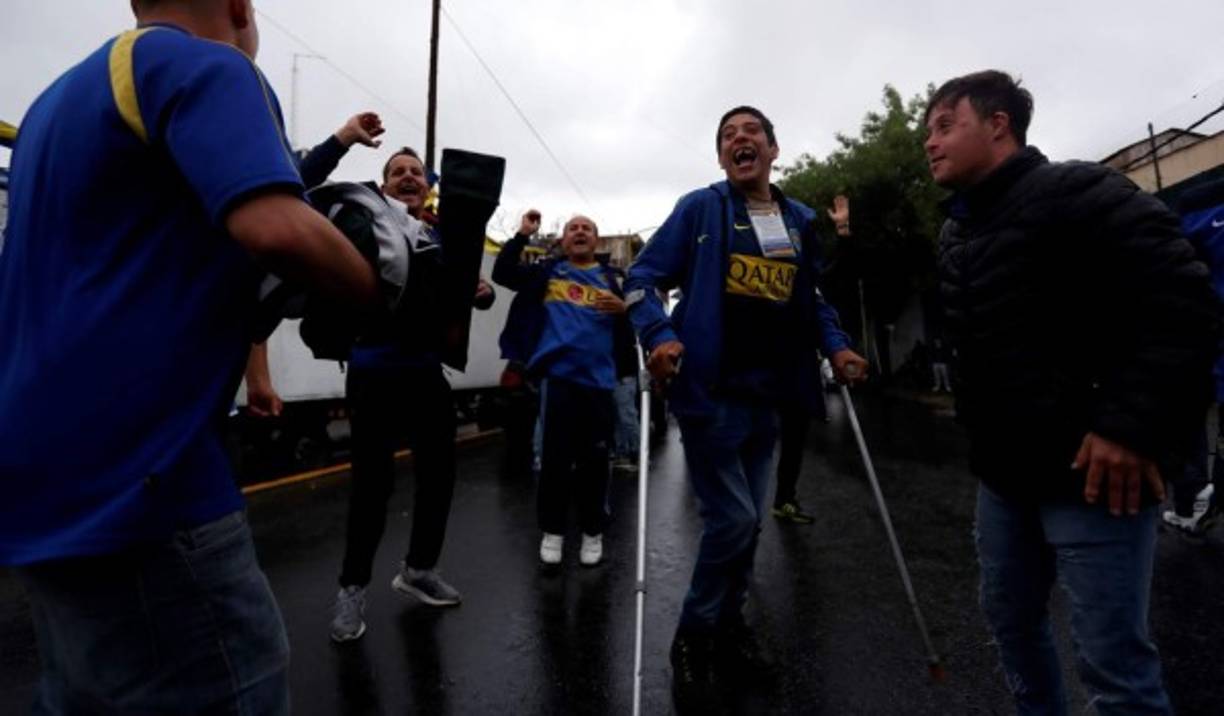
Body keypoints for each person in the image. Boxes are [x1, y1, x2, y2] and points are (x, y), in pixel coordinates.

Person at [0, 1, 379, 712]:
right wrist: (378, 286)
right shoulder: (211, 67)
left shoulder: (55, 102)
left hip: (34, 478)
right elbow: (276, 227)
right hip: (141, 480)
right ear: (239, 6)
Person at [925, 70, 1217, 713]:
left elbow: (1185, 302)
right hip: (1004, 479)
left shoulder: (1079, 192)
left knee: (1113, 668)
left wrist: (1128, 428)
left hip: (1093, 475)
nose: (931, 143)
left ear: (998, 123)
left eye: (947, 126)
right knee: (1011, 626)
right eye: (929, 133)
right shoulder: (957, 234)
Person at [625, 106, 866, 709]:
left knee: (751, 524)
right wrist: (658, 336)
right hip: (711, 394)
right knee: (732, 521)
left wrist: (837, 348)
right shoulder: (700, 209)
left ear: (773, 149)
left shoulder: (796, 220)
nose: (740, 140)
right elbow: (641, 277)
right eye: (728, 136)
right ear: (720, 158)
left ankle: (729, 628)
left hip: (773, 397)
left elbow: (811, 301)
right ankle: (694, 634)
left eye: (750, 131)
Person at [329, 146, 496, 642]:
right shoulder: (368, 227)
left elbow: (455, 293)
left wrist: (478, 290)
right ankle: (351, 588)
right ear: (383, 188)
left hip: (425, 375)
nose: (407, 177)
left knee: (440, 476)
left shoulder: (442, 236)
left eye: (415, 172)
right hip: (373, 372)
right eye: (397, 172)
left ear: (428, 185)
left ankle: (419, 569)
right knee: (372, 488)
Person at [493, 212, 634, 567]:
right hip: (558, 382)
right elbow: (503, 272)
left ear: (597, 240)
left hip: (600, 385)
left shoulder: (613, 279)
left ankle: (592, 532)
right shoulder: (547, 272)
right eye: (574, 228)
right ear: (564, 240)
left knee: (595, 463)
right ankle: (553, 531)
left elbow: (641, 314)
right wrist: (522, 235)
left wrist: (624, 309)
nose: (581, 232)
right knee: (554, 462)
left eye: (588, 227)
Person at [773, 194, 853, 525]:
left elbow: (834, 274)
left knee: (794, 435)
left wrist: (843, 230)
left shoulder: (808, 279)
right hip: (758, 364)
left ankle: (784, 498)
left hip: (797, 364)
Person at [1162, 177, 1224, 535]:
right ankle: (1198, 500)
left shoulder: (1196, 213)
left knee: (1187, 419)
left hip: (1202, 343)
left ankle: (1197, 500)